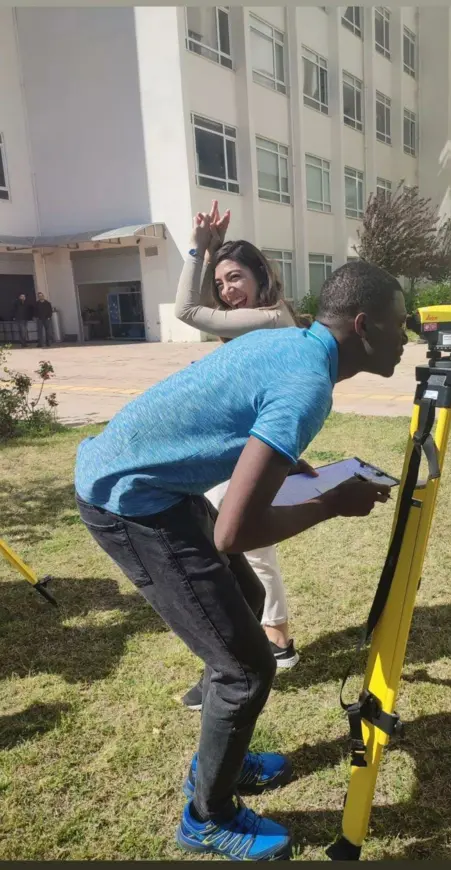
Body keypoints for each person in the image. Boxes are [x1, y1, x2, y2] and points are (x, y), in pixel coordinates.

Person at [74, 250, 408, 861]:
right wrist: (333, 503)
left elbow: (236, 415)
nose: (406, 336)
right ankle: (206, 816)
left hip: (148, 482)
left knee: (249, 599)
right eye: (399, 322)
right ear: (363, 325)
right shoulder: (307, 383)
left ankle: (219, 757)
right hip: (128, 501)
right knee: (246, 669)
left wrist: (291, 466)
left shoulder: (293, 343)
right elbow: (234, 532)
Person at [175, 204, 302, 715]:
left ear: (261, 277)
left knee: (245, 548)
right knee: (237, 549)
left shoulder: (270, 318)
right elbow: (207, 308)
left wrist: (197, 248)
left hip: (254, 450)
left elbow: (187, 311)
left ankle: (269, 642)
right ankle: (268, 639)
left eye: (237, 278)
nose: (227, 290)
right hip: (235, 450)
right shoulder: (250, 322)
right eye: (222, 282)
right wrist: (210, 256)